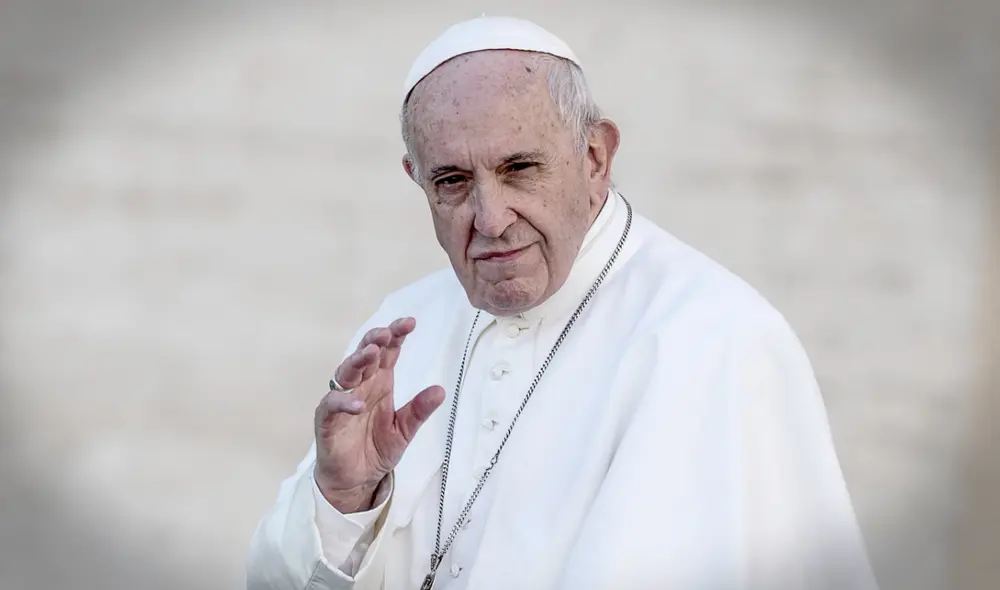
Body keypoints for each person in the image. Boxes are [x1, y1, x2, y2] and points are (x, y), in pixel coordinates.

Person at [245, 15, 879, 590]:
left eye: (520, 169)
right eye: (453, 182)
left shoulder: (716, 336)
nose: (490, 220)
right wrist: (345, 498)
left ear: (596, 156)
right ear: (418, 180)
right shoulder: (405, 326)